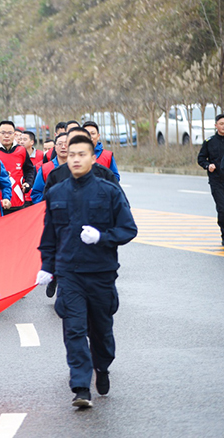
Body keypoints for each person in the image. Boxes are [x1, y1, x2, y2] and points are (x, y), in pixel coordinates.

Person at [36, 135, 137, 408]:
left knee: (101, 331)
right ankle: (81, 387)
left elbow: (128, 229)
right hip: (69, 273)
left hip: (101, 272)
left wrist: (102, 237)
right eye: (72, 155)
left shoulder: (109, 191)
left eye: (82, 154)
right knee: (74, 329)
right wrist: (47, 267)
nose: (76, 159)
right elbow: (50, 235)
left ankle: (102, 367)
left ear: (93, 158)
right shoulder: (56, 193)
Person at [198, 113, 224, 245]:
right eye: (221, 124)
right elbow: (201, 158)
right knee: (223, 208)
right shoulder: (209, 142)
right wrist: (208, 165)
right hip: (217, 181)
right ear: (216, 125)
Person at [0, 121, 36, 211]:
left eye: (10, 133)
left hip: (18, 201)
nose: (6, 136)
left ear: (15, 134)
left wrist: (28, 183)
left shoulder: (21, 150)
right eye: (3, 133)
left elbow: (29, 170)